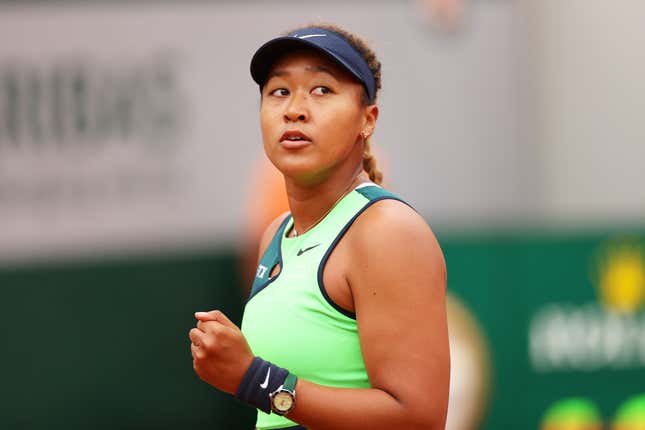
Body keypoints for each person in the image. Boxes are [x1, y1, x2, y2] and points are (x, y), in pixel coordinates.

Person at [189, 23, 450, 430]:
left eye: (322, 90)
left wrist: (255, 379)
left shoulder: (387, 230)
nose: (294, 108)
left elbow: (417, 418)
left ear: (368, 120)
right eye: (279, 91)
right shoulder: (275, 235)